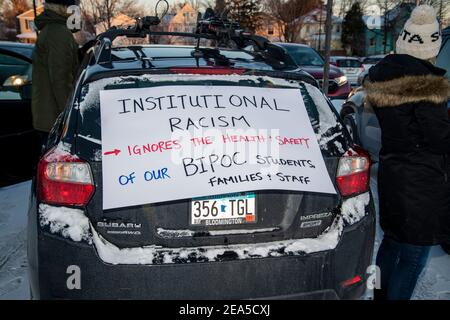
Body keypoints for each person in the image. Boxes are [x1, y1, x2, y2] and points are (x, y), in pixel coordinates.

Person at [364, 5, 450, 300]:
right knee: (415, 256)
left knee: (391, 244)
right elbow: (439, 138)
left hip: (393, 172)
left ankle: (378, 296)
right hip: (421, 182)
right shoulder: (428, 85)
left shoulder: (381, 75)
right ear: (431, 45)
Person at [32, 0, 80, 148]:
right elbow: (61, 80)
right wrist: (71, 118)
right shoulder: (59, 33)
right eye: (75, 8)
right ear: (65, 8)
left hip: (49, 116)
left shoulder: (52, 29)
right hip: (55, 120)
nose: (78, 12)